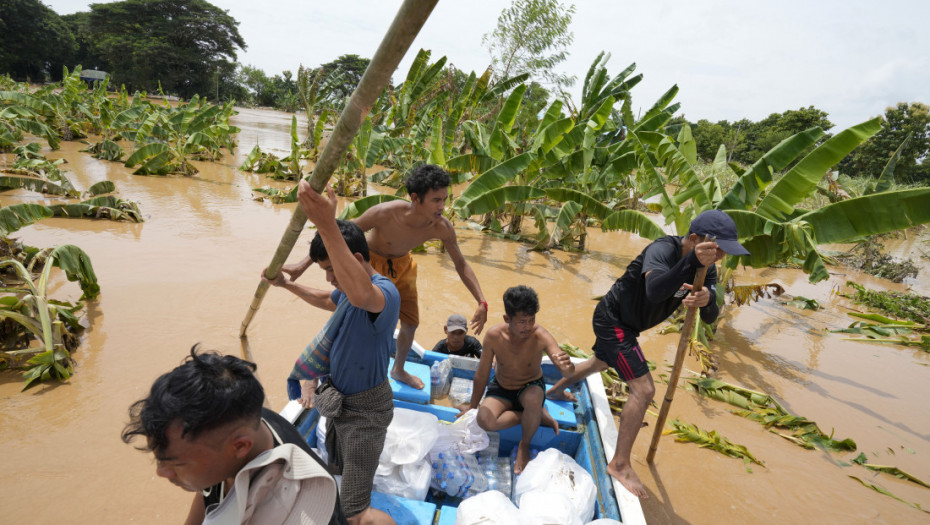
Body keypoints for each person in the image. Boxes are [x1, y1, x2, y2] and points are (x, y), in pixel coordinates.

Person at [545, 209, 750, 499]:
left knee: (599, 363)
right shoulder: (663, 250)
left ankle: (554, 391)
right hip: (613, 319)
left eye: (722, 253)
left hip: (629, 326)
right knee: (643, 390)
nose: (719, 258)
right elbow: (654, 291)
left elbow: (709, 317)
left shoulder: (708, 268)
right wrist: (691, 262)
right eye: (716, 250)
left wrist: (706, 301)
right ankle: (619, 464)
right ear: (693, 240)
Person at [281, 164, 488, 390]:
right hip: (368, 263)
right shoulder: (387, 212)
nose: (442, 206)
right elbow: (340, 235)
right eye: (436, 200)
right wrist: (303, 265)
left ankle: (398, 369)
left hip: (403, 266)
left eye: (444, 200)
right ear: (416, 198)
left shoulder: (441, 227)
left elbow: (461, 263)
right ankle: (320, 366)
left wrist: (481, 301)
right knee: (343, 311)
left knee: (410, 322)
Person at [264, 181, 399, 525]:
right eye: (324, 270)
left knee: (357, 514)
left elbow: (358, 294)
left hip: (366, 414)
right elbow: (328, 300)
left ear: (354, 260)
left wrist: (326, 223)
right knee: (335, 465)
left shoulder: (383, 295)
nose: (328, 279)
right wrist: (288, 284)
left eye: (331, 270)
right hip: (338, 403)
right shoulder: (346, 294)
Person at [121, 346, 347, 525]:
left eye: (176, 463)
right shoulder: (240, 421)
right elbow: (209, 491)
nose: (161, 472)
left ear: (240, 447)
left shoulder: (286, 508)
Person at [465, 285, 575, 474]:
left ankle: (525, 444)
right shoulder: (493, 336)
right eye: (522, 321)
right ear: (507, 319)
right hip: (502, 388)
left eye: (531, 320)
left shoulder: (540, 335)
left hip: (530, 387)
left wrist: (568, 366)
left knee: (533, 399)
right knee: (484, 420)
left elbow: (566, 371)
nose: (528, 326)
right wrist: (472, 407)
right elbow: (482, 375)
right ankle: (534, 415)